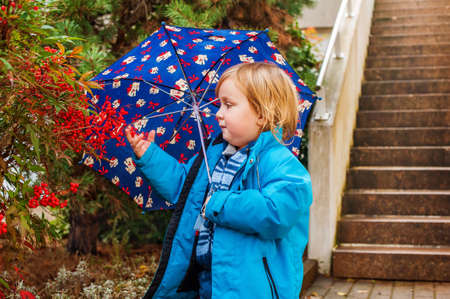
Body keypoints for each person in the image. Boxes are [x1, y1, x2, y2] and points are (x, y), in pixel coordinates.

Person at [125, 62, 313, 299]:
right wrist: (150, 156)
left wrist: (219, 203)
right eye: (219, 104)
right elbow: (186, 190)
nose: (219, 114)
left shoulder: (281, 163)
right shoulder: (214, 154)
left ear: (262, 115)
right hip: (209, 281)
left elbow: (275, 213)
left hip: (251, 289)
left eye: (229, 105)